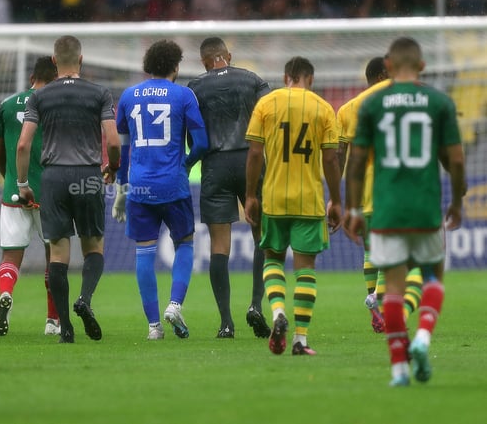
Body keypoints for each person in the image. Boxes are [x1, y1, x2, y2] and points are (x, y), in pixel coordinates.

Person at [345, 37, 465, 387]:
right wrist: (457, 200)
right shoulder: (438, 102)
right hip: (425, 204)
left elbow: (354, 163)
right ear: (422, 66)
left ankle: (398, 368)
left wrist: (352, 207)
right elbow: (455, 159)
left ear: (389, 66)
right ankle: (423, 338)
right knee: (432, 278)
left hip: (386, 206)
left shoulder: (371, 104)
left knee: (393, 289)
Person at [16, 35, 121, 343]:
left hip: (53, 178)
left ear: (53, 61)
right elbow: (113, 141)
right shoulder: (99, 93)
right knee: (94, 247)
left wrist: (23, 185)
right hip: (88, 174)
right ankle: (84, 300)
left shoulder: (39, 97)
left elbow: (23, 144)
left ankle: (66, 329)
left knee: (58, 255)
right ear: (81, 59)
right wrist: (112, 167)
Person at [244, 56, 342, 356]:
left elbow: (255, 153)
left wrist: (250, 195)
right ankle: (300, 339)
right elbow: (330, 158)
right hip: (309, 201)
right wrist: (337, 200)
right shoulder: (323, 108)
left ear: (286, 76)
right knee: (305, 270)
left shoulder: (267, 104)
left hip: (274, 198)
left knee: (272, 260)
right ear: (309, 79)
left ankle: (276, 313)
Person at [113, 40, 209, 340]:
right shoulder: (183, 95)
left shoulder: (128, 96)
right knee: (185, 243)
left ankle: (154, 327)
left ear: (147, 66)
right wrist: (186, 163)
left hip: (139, 185)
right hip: (173, 185)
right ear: (176, 67)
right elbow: (203, 143)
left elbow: (122, 147)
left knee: (144, 252)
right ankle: (175, 305)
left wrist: (121, 188)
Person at [187, 37, 271, 339]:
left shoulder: (194, 87)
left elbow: (192, 133)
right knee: (263, 235)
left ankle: (226, 322)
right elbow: (269, 119)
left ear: (204, 61)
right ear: (228, 56)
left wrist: (187, 162)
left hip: (215, 166)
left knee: (219, 246)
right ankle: (256, 305)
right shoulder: (253, 80)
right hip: (251, 160)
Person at [337, 57, 423, 333]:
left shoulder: (348, 109)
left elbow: (339, 154)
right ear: (382, 75)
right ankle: (380, 303)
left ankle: (377, 310)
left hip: (363, 191)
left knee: (372, 251)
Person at [0, 56, 59, 337]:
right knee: (54, 256)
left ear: (32, 78)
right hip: (50, 191)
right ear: (55, 79)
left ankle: (6, 294)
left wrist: (11, 178)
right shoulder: (57, 104)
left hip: (14, 192)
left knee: (10, 255)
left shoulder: (7, 105)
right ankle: (52, 321)